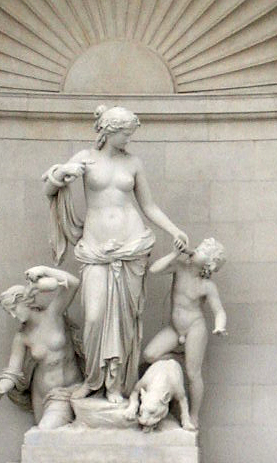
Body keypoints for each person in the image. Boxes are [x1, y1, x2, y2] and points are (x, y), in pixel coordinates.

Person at [42, 105, 188, 404]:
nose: (128, 140)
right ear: (109, 131)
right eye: (125, 134)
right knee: (94, 317)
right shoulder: (85, 158)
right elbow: (49, 188)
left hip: (132, 246)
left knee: (124, 322)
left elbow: (148, 206)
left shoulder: (133, 163)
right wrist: (61, 174)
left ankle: (115, 386)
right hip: (96, 249)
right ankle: (93, 380)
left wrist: (174, 230)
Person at [0, 266, 83, 429]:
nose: (14, 316)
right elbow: (12, 371)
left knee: (46, 435)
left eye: (13, 309)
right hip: (44, 396)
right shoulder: (22, 337)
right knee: (42, 437)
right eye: (10, 313)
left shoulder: (53, 314)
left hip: (74, 387)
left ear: (24, 301)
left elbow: (73, 283)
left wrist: (44, 270)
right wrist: (0, 389)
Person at [142, 238, 227, 428]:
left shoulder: (207, 286)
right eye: (199, 246)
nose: (198, 248)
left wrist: (220, 326)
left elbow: (219, 310)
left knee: (193, 373)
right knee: (149, 355)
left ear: (210, 263)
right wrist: (174, 253)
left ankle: (193, 415)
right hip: (175, 327)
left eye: (204, 250)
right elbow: (154, 270)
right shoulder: (180, 267)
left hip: (194, 328)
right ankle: (176, 357)